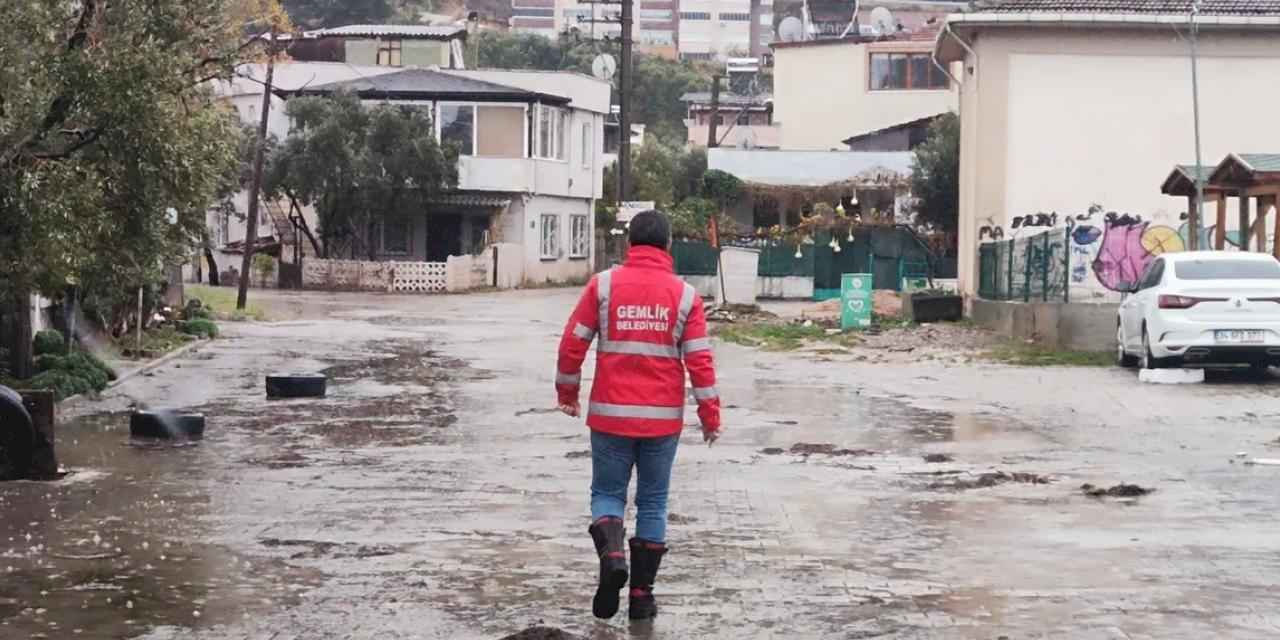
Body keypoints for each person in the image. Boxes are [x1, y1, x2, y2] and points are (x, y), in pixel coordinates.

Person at [555, 210, 722, 621]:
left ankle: (612, 555)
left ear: (630, 244)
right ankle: (642, 596)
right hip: (661, 422)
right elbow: (700, 362)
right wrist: (710, 415)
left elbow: (572, 343)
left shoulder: (604, 285)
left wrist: (567, 391)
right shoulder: (685, 296)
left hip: (610, 417)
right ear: (668, 245)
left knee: (608, 494)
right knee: (652, 502)